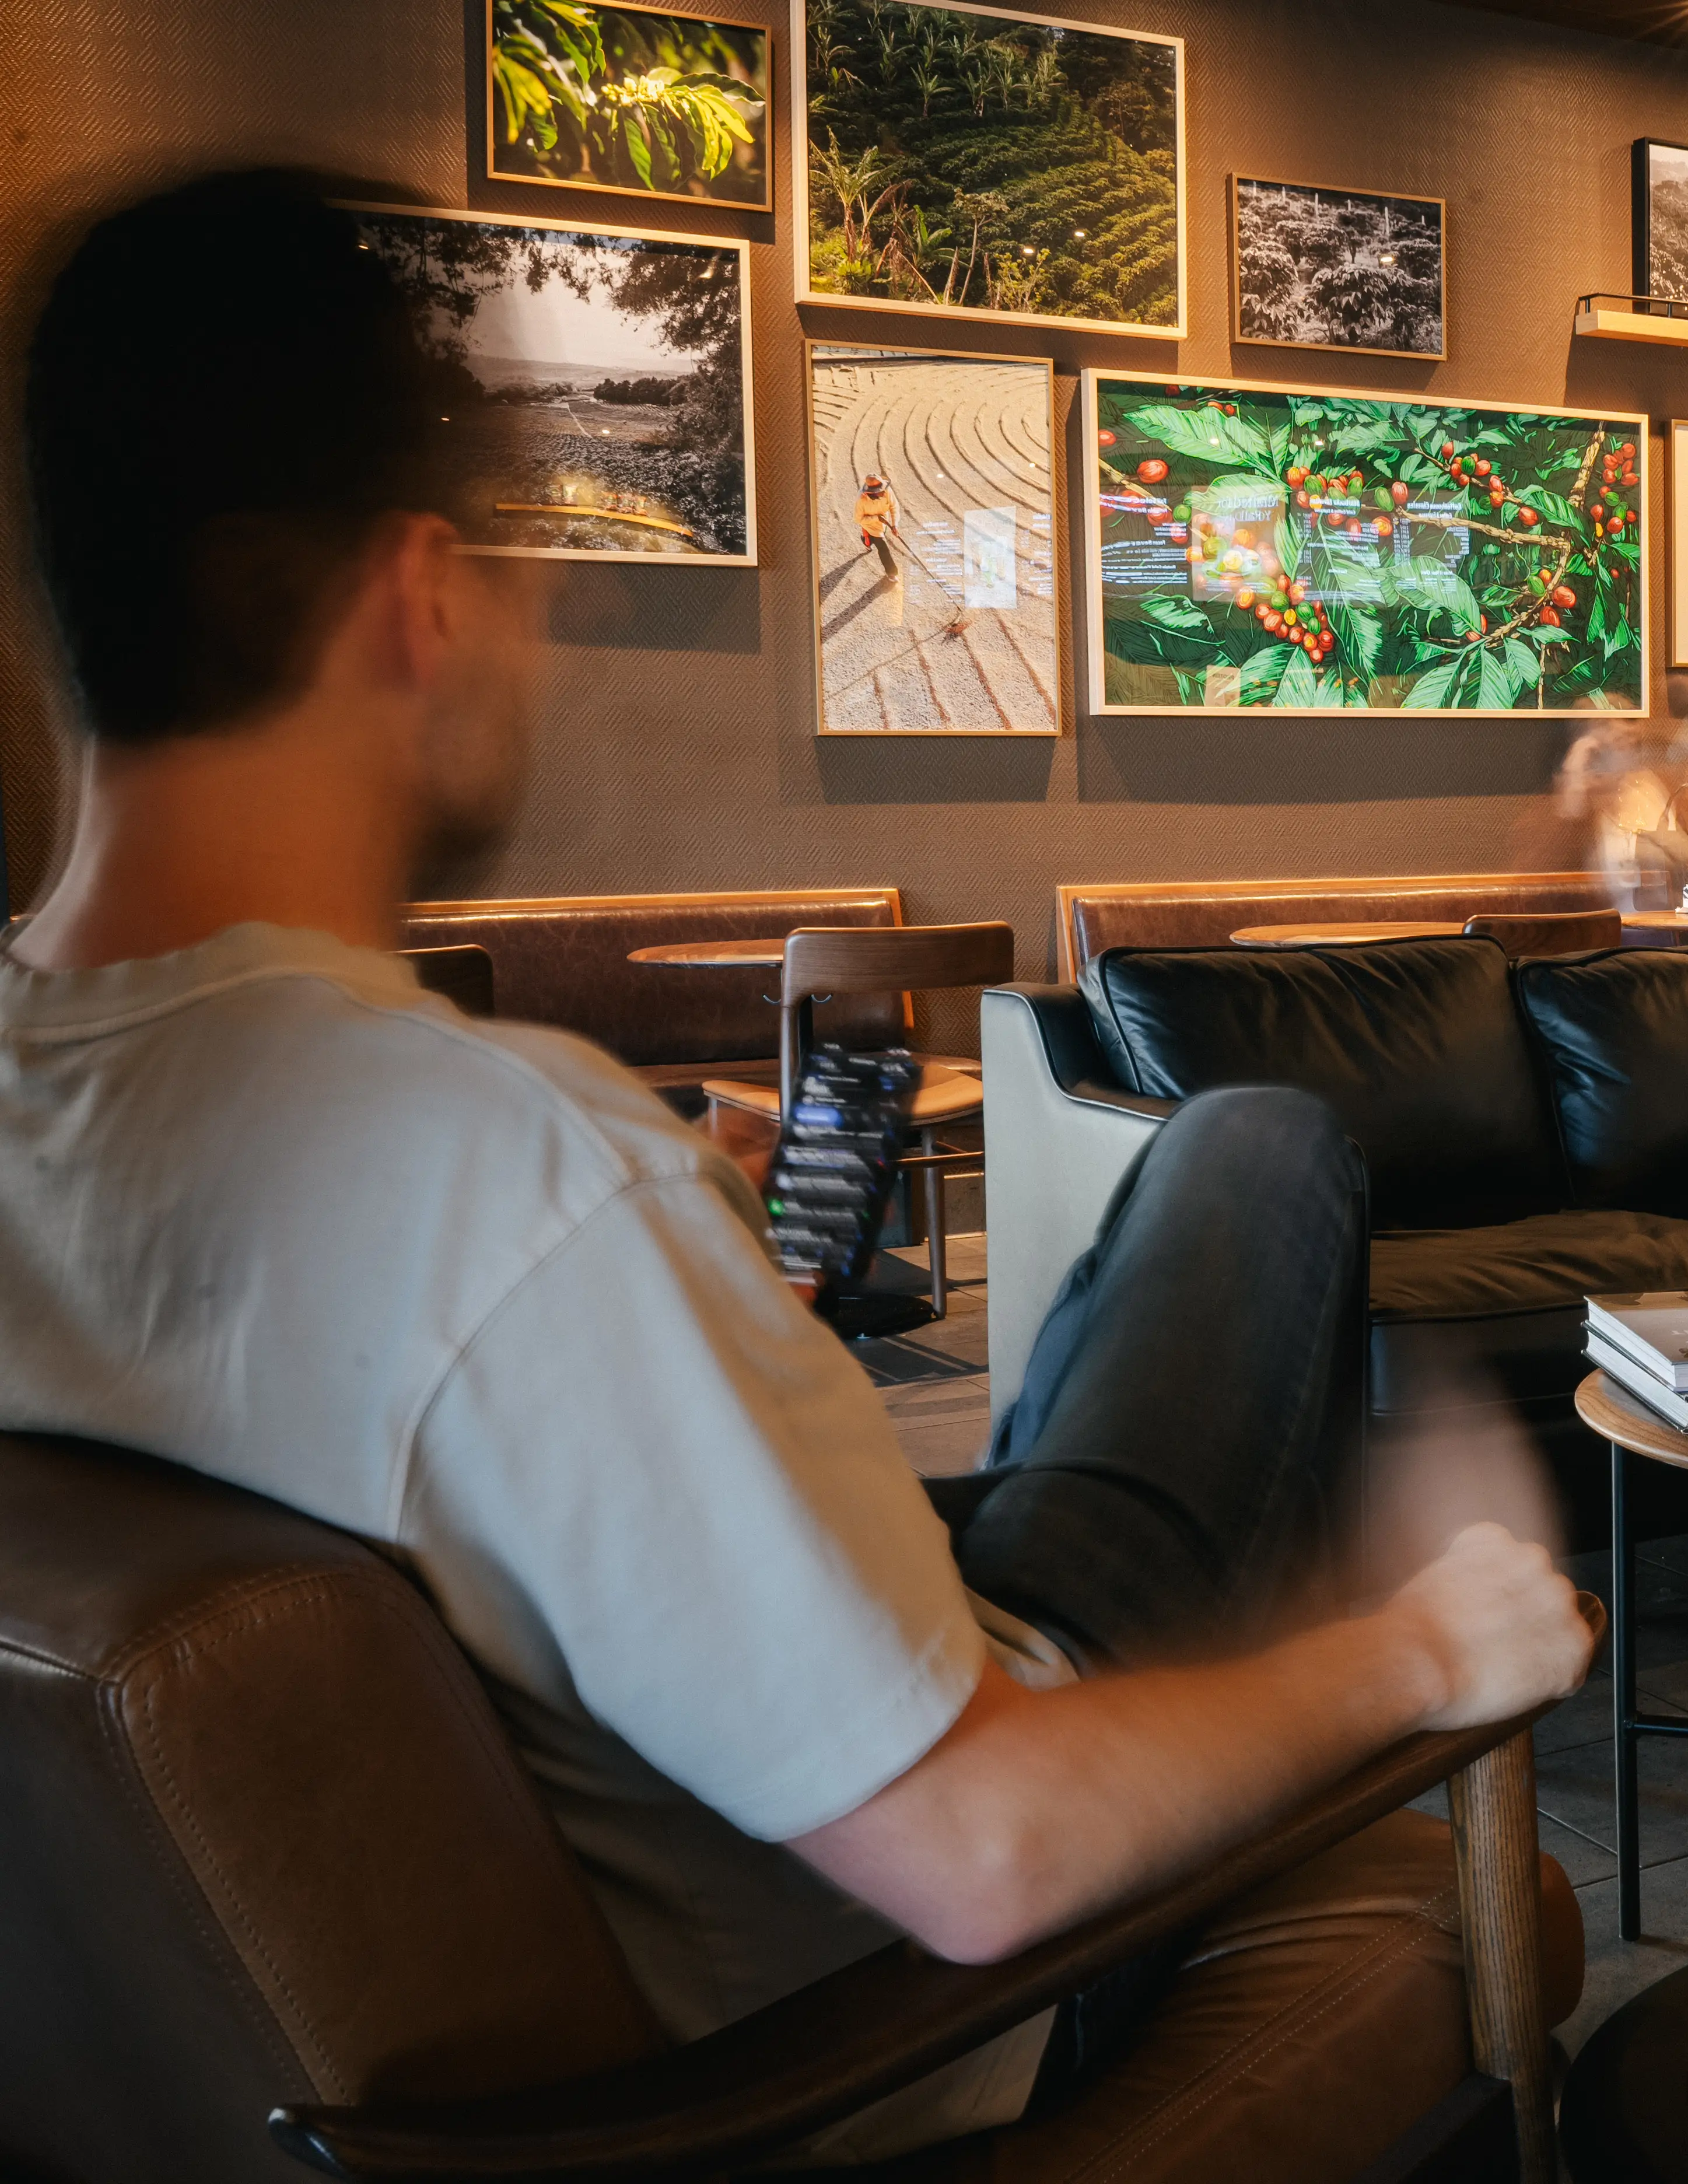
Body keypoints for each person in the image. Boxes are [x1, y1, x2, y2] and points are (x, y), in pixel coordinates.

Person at [0, 172, 1591, 2161]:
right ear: (416, 596)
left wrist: (684, 1281)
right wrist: (1426, 1641)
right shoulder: (501, 1169)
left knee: (1183, 1218)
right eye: (518, 576)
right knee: (1257, 1150)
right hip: (925, 1987)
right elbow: (987, 1854)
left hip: (774, 1712)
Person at [856, 471, 900, 582]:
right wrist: (876, 518)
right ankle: (891, 572)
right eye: (880, 491)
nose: (884, 493)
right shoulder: (861, 500)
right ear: (873, 493)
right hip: (869, 523)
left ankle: (867, 541)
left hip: (883, 521)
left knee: (875, 538)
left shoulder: (887, 491)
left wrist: (894, 525)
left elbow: (894, 507)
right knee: (882, 546)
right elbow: (858, 519)